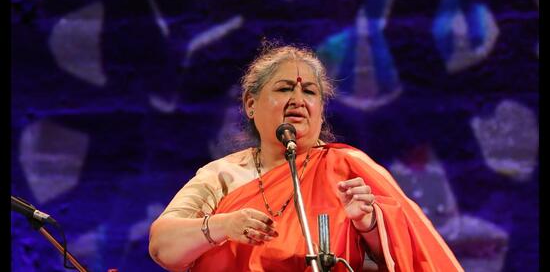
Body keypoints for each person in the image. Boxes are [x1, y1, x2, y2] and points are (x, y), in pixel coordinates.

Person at [148, 45, 463, 271]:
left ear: (321, 110)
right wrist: (224, 225)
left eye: (310, 92)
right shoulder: (222, 175)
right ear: (250, 104)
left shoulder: (349, 169)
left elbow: (414, 256)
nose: (298, 100)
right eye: (285, 89)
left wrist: (367, 225)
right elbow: (164, 247)